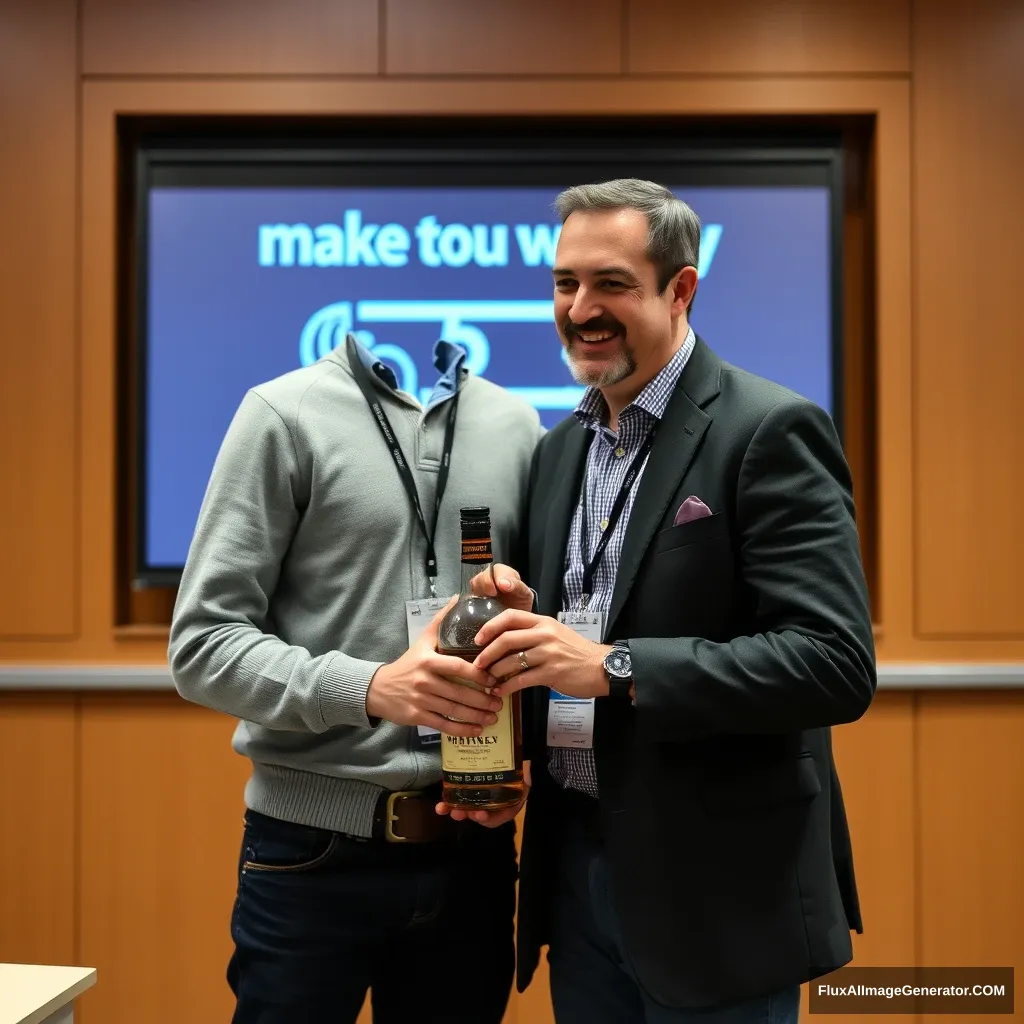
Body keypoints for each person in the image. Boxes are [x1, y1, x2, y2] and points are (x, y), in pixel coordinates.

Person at [441, 179, 876, 1023]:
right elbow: (571, 638)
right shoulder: (559, 448)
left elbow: (833, 664)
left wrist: (614, 664)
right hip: (576, 872)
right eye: (566, 284)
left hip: (718, 895)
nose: (581, 308)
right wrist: (508, 668)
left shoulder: (769, 430)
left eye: (611, 283)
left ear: (680, 289)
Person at [168, 331, 542, 1023]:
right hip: (309, 860)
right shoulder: (283, 414)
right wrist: (369, 688)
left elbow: (538, 640)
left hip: (473, 855)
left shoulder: (518, 429)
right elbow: (201, 646)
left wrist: (521, 761)